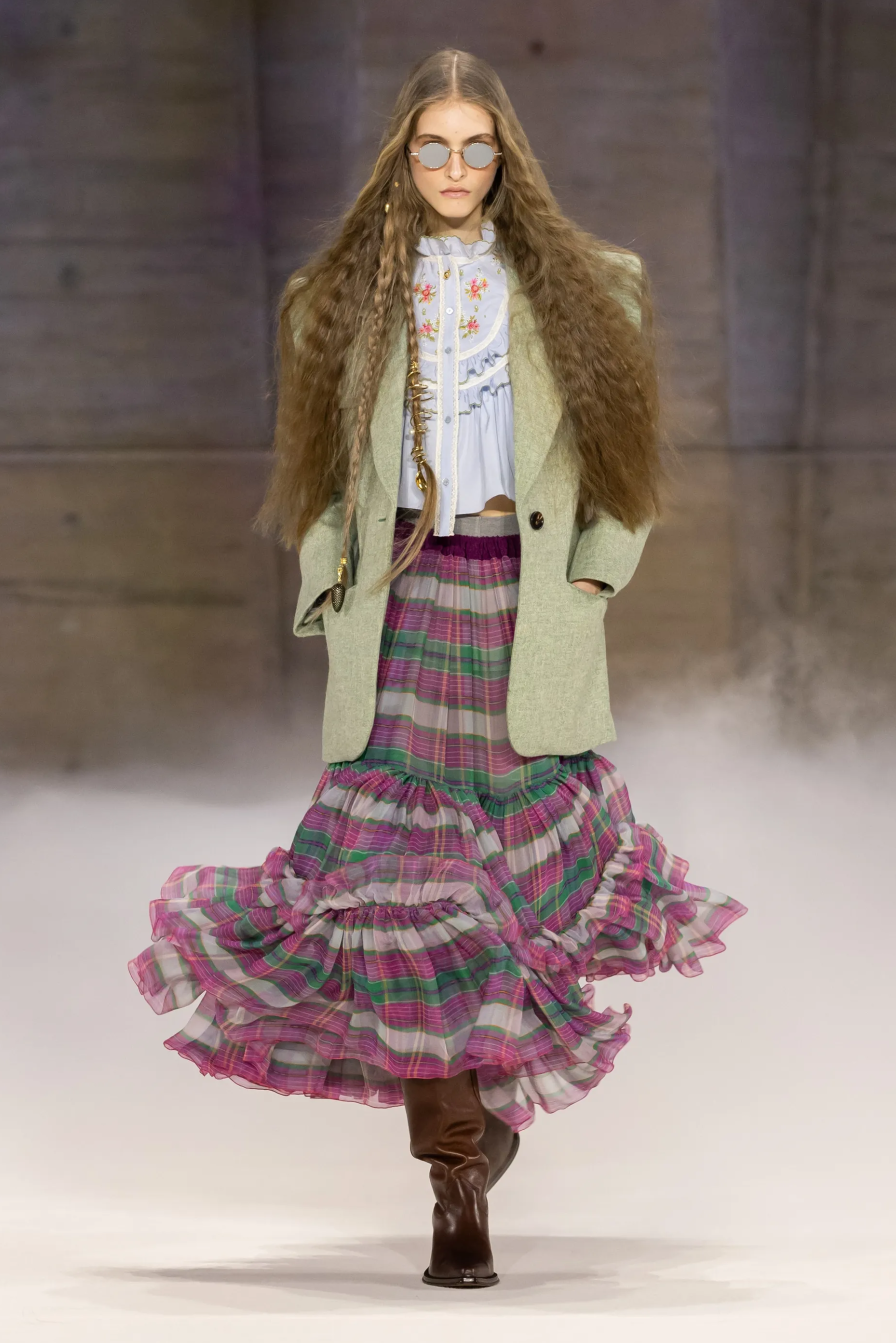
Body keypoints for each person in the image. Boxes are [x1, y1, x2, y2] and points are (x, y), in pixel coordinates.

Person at [128, 48, 746, 1290]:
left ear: (503, 156)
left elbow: (626, 465)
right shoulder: (332, 297)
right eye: (431, 148)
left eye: (474, 147)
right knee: (398, 893)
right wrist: (332, 582)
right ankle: (455, 1174)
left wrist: (591, 576)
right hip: (403, 606)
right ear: (401, 159)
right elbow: (315, 475)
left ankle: (483, 1120)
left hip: (526, 609)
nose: (454, 168)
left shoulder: (595, 285)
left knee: (505, 894)